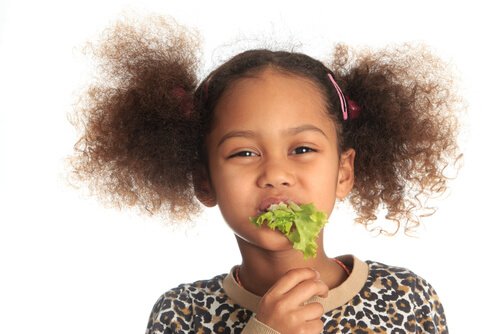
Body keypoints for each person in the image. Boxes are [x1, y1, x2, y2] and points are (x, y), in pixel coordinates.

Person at [70, 16, 462, 333]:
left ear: (344, 172)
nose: (275, 173)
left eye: (302, 149)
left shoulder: (407, 297)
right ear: (204, 181)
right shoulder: (182, 314)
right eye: (244, 152)